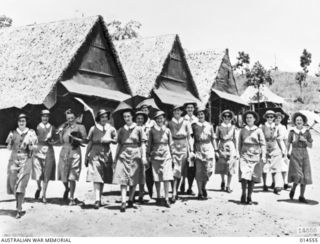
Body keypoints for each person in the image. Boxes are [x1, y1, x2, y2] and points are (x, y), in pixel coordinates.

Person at [113, 109, 147, 212]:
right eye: (125, 117)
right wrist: (115, 158)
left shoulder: (139, 129)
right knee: (123, 178)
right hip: (123, 154)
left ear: (132, 117)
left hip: (136, 154)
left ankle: (131, 199)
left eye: (128, 116)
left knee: (134, 177)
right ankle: (124, 201)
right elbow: (119, 144)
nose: (127, 118)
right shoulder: (121, 130)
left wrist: (144, 156)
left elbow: (143, 144)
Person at [6, 113, 38, 218]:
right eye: (20, 121)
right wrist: (10, 141)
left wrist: (30, 145)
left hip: (25, 160)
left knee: (21, 185)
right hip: (14, 160)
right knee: (12, 183)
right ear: (17, 122)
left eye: (23, 121)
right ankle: (19, 201)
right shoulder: (13, 132)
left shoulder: (31, 133)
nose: (21, 123)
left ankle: (18, 209)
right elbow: (9, 148)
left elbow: (35, 147)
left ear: (26, 122)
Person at [85, 109, 117, 209]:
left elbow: (116, 141)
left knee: (103, 177)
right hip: (95, 154)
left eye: (105, 117)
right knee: (96, 176)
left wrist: (110, 140)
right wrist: (86, 154)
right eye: (102, 117)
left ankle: (99, 197)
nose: (104, 119)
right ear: (99, 118)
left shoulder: (111, 129)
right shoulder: (93, 128)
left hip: (106, 154)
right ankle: (97, 200)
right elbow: (90, 142)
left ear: (108, 118)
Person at [57, 109, 87, 206]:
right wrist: (61, 134)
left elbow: (85, 141)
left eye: (72, 118)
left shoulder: (80, 127)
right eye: (68, 118)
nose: (70, 120)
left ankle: (72, 197)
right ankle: (67, 188)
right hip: (64, 151)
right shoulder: (64, 128)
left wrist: (76, 139)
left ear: (76, 118)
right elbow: (61, 142)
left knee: (72, 175)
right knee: (63, 175)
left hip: (75, 151)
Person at [238, 111, 266, 204]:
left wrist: (264, 155)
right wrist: (239, 154)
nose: (248, 119)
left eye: (250, 117)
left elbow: (263, 144)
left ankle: (249, 196)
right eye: (247, 118)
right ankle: (243, 193)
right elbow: (239, 143)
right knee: (244, 175)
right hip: (244, 154)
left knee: (252, 177)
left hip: (255, 154)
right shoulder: (242, 130)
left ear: (254, 119)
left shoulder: (258, 130)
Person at [148, 111, 174, 207]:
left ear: (164, 119)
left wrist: (172, 156)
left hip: (166, 155)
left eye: (161, 118)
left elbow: (171, 144)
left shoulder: (167, 130)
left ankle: (166, 198)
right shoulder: (151, 130)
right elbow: (149, 144)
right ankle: (159, 197)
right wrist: (148, 155)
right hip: (155, 155)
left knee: (166, 177)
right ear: (155, 120)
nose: (159, 120)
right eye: (157, 118)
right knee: (157, 178)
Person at [167, 105, 192, 203]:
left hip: (183, 147)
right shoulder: (169, 123)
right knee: (174, 169)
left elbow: (189, 137)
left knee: (180, 170)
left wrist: (191, 150)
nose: (177, 112)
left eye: (179, 110)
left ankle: (175, 191)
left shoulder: (186, 122)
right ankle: (173, 192)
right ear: (173, 112)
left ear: (182, 112)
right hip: (173, 146)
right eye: (175, 110)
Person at [192, 106, 217, 200]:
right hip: (198, 148)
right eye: (198, 114)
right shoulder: (194, 126)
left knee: (209, 170)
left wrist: (216, 150)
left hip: (208, 148)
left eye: (202, 114)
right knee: (199, 171)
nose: (200, 115)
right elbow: (191, 139)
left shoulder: (209, 125)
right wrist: (192, 150)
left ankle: (203, 186)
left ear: (205, 115)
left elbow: (213, 139)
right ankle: (200, 192)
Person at [287, 112, 313, 203]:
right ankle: (293, 188)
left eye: (300, 120)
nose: (299, 121)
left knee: (305, 175)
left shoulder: (307, 132)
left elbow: (310, 146)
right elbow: (288, 142)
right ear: (295, 121)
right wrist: (287, 152)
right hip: (294, 153)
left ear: (303, 121)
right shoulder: (292, 131)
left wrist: (305, 140)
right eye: (297, 120)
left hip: (304, 154)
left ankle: (301, 196)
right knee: (299, 175)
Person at [32, 109, 56, 203]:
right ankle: (39, 187)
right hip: (38, 150)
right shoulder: (36, 126)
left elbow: (56, 140)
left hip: (48, 151)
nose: (45, 118)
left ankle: (44, 195)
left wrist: (52, 141)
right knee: (38, 174)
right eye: (43, 116)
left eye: (47, 116)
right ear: (41, 117)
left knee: (47, 173)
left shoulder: (52, 127)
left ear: (49, 117)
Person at [261, 110, 286, 194]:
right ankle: (264, 184)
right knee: (264, 167)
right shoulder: (262, 127)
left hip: (275, 148)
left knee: (276, 167)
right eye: (268, 117)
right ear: (266, 117)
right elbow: (260, 139)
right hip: (265, 147)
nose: (270, 118)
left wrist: (282, 149)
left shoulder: (277, 127)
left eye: (271, 117)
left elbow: (279, 139)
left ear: (274, 118)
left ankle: (275, 186)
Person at [215, 110, 238, 193]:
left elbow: (235, 139)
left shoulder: (233, 127)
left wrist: (236, 151)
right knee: (222, 165)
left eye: (229, 116)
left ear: (231, 118)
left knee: (230, 166)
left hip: (231, 146)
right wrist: (216, 150)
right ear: (223, 117)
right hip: (222, 146)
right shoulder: (219, 127)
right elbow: (216, 138)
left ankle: (228, 185)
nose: (227, 118)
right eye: (225, 116)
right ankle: (223, 181)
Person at [181, 102, 198, 195]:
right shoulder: (183, 119)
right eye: (188, 108)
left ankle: (190, 187)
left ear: (194, 109)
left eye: (192, 107)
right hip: (186, 144)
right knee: (184, 165)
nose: (190, 109)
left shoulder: (197, 119)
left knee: (192, 167)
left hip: (195, 144)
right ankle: (182, 183)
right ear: (186, 109)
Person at [140, 105, 155, 199]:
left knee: (149, 171)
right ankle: (142, 190)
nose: (145, 111)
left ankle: (150, 191)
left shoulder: (152, 122)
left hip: (149, 147)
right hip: (141, 147)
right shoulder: (139, 122)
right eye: (143, 110)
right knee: (141, 170)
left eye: (146, 110)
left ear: (148, 111)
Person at [134, 111, 149, 204]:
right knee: (134, 173)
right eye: (138, 118)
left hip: (144, 151)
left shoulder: (147, 129)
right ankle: (132, 194)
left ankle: (141, 194)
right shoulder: (133, 128)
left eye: (142, 119)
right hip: (134, 151)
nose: (140, 120)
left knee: (143, 174)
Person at [274, 112, 290, 190]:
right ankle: (274, 183)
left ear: (281, 119)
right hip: (273, 146)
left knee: (284, 165)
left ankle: (285, 182)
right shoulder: (271, 126)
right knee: (274, 165)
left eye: (279, 118)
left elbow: (286, 139)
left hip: (282, 146)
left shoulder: (283, 127)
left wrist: (286, 149)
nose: (277, 119)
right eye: (276, 118)